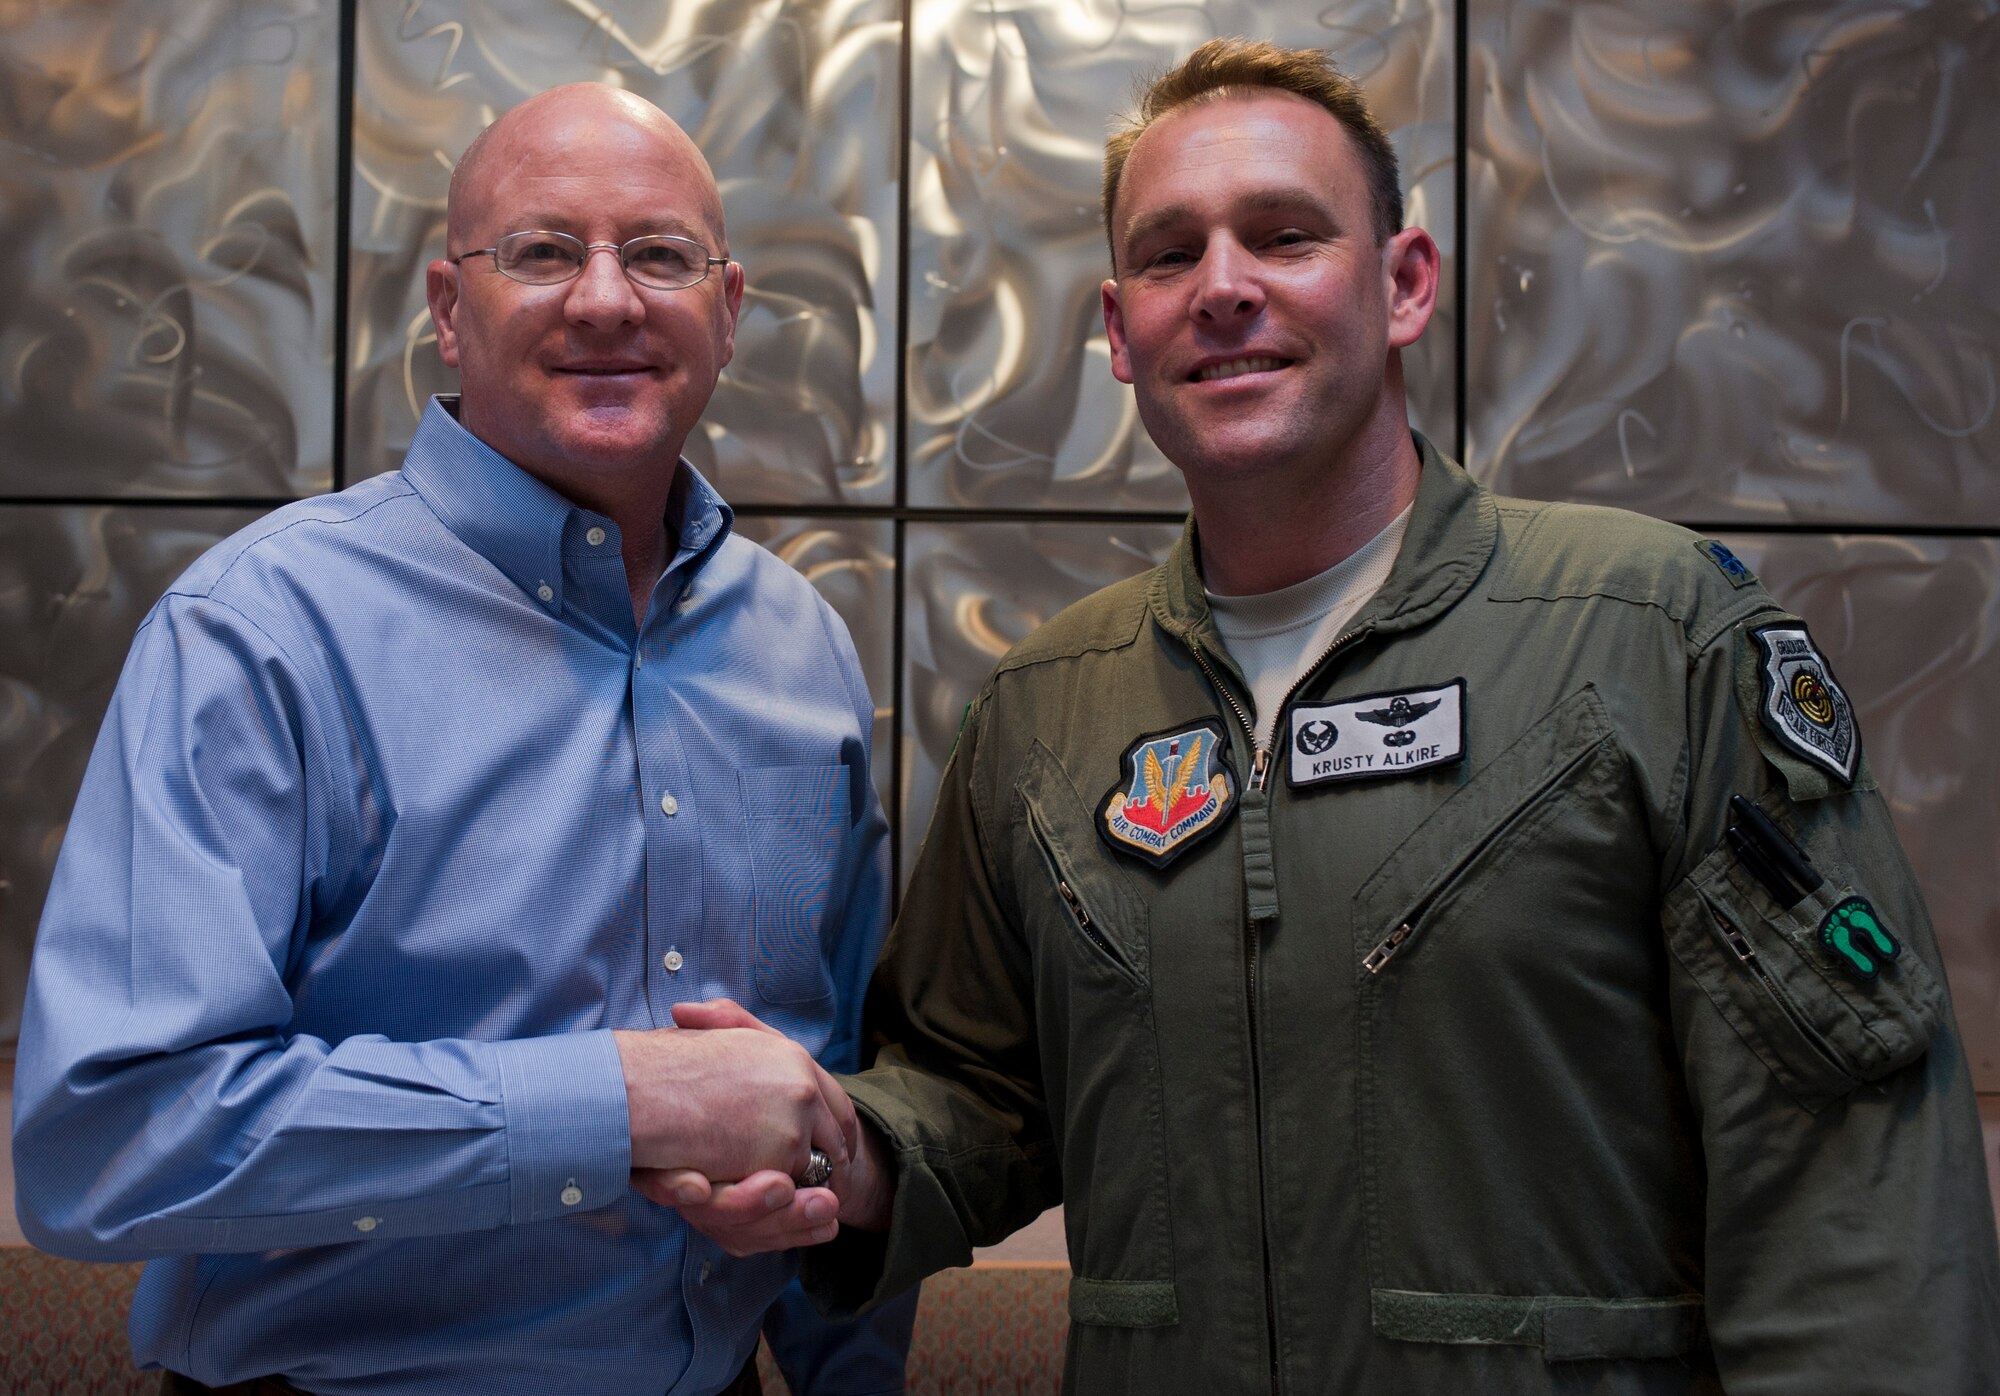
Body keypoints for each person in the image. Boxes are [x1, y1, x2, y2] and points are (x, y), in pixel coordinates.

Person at [663, 38, 2000, 1395]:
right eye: (1172, 254)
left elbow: (1850, 1202)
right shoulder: (1047, 710)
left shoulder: (1655, 639)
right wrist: (845, 1149)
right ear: (1121, 333)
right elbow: (978, 1094)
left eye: (1286, 236)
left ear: (1405, 284)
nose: (1226, 288)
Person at [11, 84, 914, 1396]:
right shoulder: (262, 631)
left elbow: (832, 1098)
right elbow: (104, 1147)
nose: (605, 301)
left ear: (726, 312)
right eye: (543, 252)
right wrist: (623, 1104)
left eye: (658, 255)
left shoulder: (806, 651)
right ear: (448, 311)